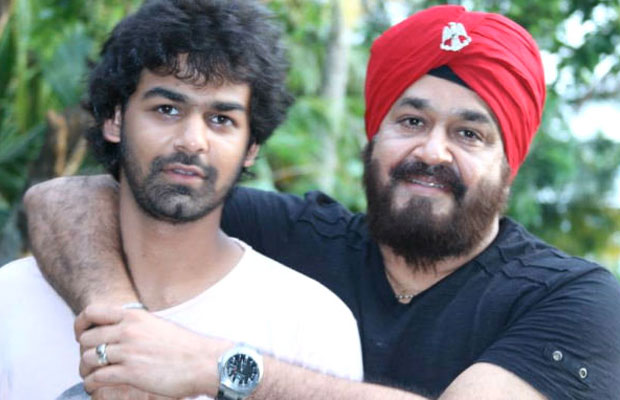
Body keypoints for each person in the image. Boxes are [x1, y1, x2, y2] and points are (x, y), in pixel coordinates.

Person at [22, 4, 620, 400]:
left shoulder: (570, 298)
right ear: (374, 138)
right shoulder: (303, 237)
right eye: (411, 121)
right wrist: (119, 326)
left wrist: (218, 366)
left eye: (469, 134)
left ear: (509, 167)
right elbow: (68, 198)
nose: (432, 152)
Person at [0, 0, 365, 399]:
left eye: (221, 119)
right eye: (167, 109)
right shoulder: (12, 299)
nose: (192, 141)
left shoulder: (311, 325)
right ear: (115, 120)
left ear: (251, 148)